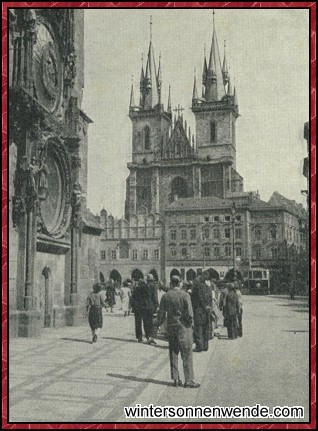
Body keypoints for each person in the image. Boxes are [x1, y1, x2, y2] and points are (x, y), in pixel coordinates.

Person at [158, 275, 200, 389]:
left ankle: (175, 379)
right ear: (180, 283)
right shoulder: (185, 295)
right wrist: (191, 325)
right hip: (184, 328)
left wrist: (159, 325)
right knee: (187, 354)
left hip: (171, 327)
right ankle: (189, 379)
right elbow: (190, 314)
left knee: (173, 353)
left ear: (171, 283)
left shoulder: (165, 296)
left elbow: (161, 314)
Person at [130, 274, 158, 344]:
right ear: (152, 280)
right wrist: (156, 306)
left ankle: (139, 337)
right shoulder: (153, 286)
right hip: (148, 307)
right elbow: (155, 298)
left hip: (138, 307)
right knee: (147, 322)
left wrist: (134, 306)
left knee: (138, 322)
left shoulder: (138, 287)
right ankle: (148, 337)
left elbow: (133, 297)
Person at [191, 272, 213, 352]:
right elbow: (210, 299)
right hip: (207, 311)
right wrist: (209, 308)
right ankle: (205, 346)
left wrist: (204, 306)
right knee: (205, 328)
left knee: (198, 328)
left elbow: (200, 298)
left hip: (199, 310)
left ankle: (199, 346)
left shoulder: (198, 287)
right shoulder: (208, 287)